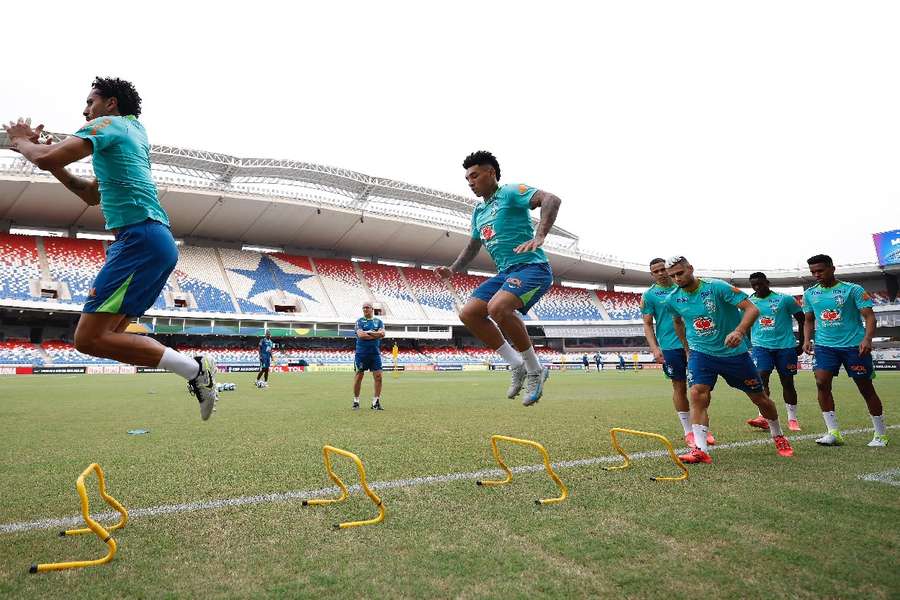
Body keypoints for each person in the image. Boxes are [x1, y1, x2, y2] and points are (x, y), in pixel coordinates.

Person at [2, 77, 217, 419]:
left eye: (90, 102)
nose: (85, 110)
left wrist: (22, 141)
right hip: (151, 240)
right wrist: (51, 157)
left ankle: (194, 369)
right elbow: (90, 195)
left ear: (111, 103)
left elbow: (43, 158)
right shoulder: (133, 133)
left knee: (87, 340)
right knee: (108, 337)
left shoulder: (108, 124)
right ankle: (194, 371)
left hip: (139, 240)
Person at [435, 151, 561, 406]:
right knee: (468, 314)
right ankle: (517, 365)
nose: (470, 182)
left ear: (491, 172)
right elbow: (473, 246)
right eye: (467, 178)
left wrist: (540, 235)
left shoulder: (512, 192)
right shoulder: (478, 211)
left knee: (498, 308)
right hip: (506, 273)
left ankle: (536, 370)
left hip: (533, 268)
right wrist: (453, 269)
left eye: (475, 175)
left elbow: (551, 199)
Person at [664, 256, 793, 463]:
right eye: (672, 276)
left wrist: (740, 331)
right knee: (697, 393)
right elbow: (678, 323)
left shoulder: (717, 287)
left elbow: (752, 309)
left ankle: (778, 435)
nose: (677, 278)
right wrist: (687, 350)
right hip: (701, 353)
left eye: (680, 273)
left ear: (690, 268)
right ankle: (700, 449)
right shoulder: (672, 299)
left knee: (760, 398)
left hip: (735, 354)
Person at [802, 255, 888, 447]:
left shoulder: (853, 290)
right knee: (821, 382)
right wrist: (807, 340)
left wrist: (867, 339)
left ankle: (881, 434)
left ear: (832, 268)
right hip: (825, 346)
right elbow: (808, 320)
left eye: (820, 271)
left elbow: (870, 317)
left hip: (853, 346)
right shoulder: (810, 294)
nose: (817, 275)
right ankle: (833, 433)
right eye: (813, 272)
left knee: (865, 388)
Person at [641, 257, 715, 448]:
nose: (660, 273)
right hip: (671, 347)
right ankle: (688, 432)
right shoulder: (649, 295)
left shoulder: (685, 288)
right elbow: (647, 324)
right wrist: (655, 348)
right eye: (655, 271)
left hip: (696, 344)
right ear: (652, 274)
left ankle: (702, 429)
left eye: (662, 269)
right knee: (679, 387)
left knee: (701, 389)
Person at [745, 272, 805, 431]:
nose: (757, 287)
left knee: (787, 382)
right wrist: (749, 342)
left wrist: (802, 341)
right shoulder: (749, 302)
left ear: (767, 282)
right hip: (761, 347)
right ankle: (762, 416)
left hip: (785, 347)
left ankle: (792, 419)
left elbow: (801, 318)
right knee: (761, 377)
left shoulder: (784, 299)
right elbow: (745, 323)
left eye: (760, 284)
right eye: (754, 285)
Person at [353, 302, 385, 410]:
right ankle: (356, 401)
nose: (365, 309)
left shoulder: (379, 321)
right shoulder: (359, 321)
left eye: (367, 307)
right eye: (364, 308)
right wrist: (375, 334)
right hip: (361, 353)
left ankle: (375, 402)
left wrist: (369, 333)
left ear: (372, 309)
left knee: (379, 377)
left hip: (375, 354)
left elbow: (383, 334)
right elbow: (361, 335)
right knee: (359, 377)